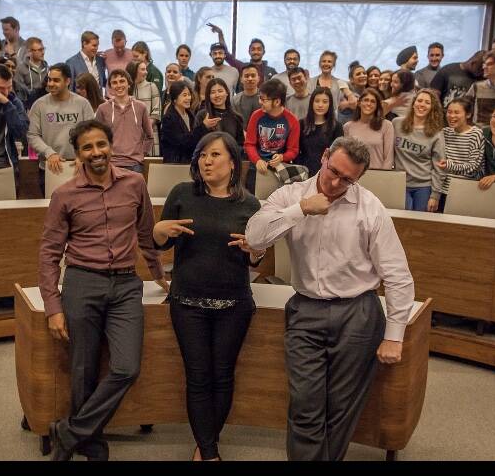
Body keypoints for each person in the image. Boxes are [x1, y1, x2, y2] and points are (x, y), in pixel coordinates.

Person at [245, 135, 414, 461]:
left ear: (359, 178)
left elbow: (397, 275)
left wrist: (395, 335)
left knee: (341, 409)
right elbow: (254, 236)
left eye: (347, 179)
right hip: (306, 308)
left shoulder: (369, 207)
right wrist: (302, 209)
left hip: (358, 313)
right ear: (324, 156)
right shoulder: (291, 194)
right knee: (305, 404)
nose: (335, 183)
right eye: (333, 171)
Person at [39, 118, 167, 462]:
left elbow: (145, 233)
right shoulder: (64, 194)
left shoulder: (135, 183)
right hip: (83, 281)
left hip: (126, 284)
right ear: (78, 154)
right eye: (87, 148)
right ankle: (89, 441)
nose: (96, 153)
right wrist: (53, 307)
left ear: (111, 146)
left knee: (126, 367)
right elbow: (49, 254)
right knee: (82, 369)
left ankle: (67, 432)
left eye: (101, 145)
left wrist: (158, 274)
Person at [154, 131, 264, 461]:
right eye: (202, 155)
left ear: (233, 162)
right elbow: (161, 241)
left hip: (234, 304)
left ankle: (204, 446)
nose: (207, 160)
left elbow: (253, 258)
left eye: (215, 155)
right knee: (198, 376)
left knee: (223, 375)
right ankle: (211, 453)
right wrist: (159, 232)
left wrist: (255, 251)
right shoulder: (181, 193)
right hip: (187, 301)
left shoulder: (249, 204)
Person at [28, 63, 96, 195]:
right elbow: (32, 135)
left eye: (56, 80)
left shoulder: (82, 104)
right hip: (50, 166)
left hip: (79, 166)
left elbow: (90, 133)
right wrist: (49, 153)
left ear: (67, 81)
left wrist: (83, 155)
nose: (51, 84)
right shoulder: (39, 105)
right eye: (49, 79)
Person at [392, 89, 446, 211]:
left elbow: (440, 167)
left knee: (419, 225)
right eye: (419, 100)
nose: (422, 104)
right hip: (400, 183)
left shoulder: (436, 133)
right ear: (413, 103)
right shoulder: (396, 124)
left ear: (432, 108)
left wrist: (435, 195)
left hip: (423, 186)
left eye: (427, 102)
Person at [244, 79, 301, 191]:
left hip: (279, 168)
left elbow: (293, 150)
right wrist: (257, 160)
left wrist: (282, 157)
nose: (260, 102)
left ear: (277, 102)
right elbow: (249, 144)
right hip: (256, 165)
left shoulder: (292, 120)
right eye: (260, 98)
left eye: (264, 99)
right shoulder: (256, 116)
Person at [94, 69, 154, 173]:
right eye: (114, 82)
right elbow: (96, 136)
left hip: (135, 164)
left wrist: (141, 153)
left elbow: (149, 136)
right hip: (111, 164)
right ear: (110, 87)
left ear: (129, 84)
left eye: (122, 81)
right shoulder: (102, 109)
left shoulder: (141, 107)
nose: (118, 85)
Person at [435, 98, 485, 210]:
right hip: (443, 190)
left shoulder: (476, 134)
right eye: (449, 112)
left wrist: (450, 165)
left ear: (468, 115)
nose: (452, 116)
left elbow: (474, 167)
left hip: (465, 190)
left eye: (457, 112)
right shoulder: (445, 132)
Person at [209, 23, 276, 89]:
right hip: (244, 99)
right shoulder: (242, 67)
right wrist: (220, 34)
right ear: (249, 51)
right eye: (253, 49)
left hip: (264, 99)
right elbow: (226, 55)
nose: (256, 52)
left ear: (263, 52)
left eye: (259, 49)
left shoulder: (271, 71)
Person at [297, 87, 344, 176]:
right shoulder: (301, 124)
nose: (320, 105)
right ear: (312, 103)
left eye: (325, 102)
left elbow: (339, 154)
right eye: (317, 101)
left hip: (327, 173)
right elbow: (296, 151)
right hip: (303, 173)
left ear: (330, 104)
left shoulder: (337, 126)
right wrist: (302, 169)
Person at [344, 88, 394, 170]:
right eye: (366, 100)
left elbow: (388, 159)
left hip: (378, 176)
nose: (369, 103)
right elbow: (346, 156)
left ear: (376, 106)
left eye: (373, 101)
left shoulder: (387, 126)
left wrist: (384, 178)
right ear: (359, 103)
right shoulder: (347, 126)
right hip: (353, 176)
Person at [193, 78, 245, 148]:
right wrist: (204, 126)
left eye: (220, 91)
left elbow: (240, 145)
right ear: (208, 96)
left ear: (227, 93)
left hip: (231, 157)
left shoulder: (236, 117)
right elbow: (194, 142)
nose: (217, 95)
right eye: (213, 92)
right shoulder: (202, 115)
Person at [160, 81, 197, 164]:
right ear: (175, 99)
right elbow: (182, 142)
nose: (188, 98)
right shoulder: (169, 118)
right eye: (184, 95)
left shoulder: (191, 116)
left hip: (190, 161)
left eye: (189, 94)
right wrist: (202, 128)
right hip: (174, 163)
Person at [126, 60, 162, 136]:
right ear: (134, 71)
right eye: (142, 69)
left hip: (149, 132)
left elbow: (156, 111)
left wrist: (146, 127)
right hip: (130, 134)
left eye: (146, 69)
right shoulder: (126, 88)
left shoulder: (151, 86)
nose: (146, 72)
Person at [15, 37, 48, 108]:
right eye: (39, 50)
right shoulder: (20, 69)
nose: (43, 52)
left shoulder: (48, 69)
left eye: (43, 49)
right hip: (29, 107)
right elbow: (20, 92)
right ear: (29, 52)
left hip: (47, 106)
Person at [231, 64, 261, 130]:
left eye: (253, 76)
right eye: (246, 76)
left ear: (258, 78)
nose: (250, 79)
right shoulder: (235, 100)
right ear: (241, 79)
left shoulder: (266, 98)